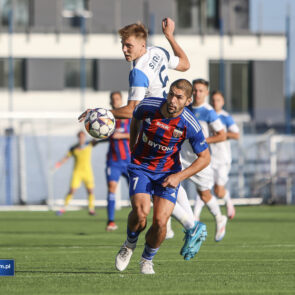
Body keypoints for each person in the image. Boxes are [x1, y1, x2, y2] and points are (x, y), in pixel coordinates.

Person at [79, 18, 201, 256]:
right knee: (167, 175)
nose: (125, 50)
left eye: (129, 45)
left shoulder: (139, 73)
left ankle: (190, 225)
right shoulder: (158, 51)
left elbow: (133, 110)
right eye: (123, 45)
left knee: (157, 183)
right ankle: (190, 225)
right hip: (170, 118)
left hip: (155, 121)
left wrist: (100, 112)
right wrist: (170, 36)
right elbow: (185, 64)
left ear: (142, 45)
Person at [115, 79, 210, 275]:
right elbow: (135, 118)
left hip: (168, 173)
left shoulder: (190, 123)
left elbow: (205, 158)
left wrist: (179, 176)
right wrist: (133, 144)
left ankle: (147, 259)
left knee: (160, 222)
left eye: (179, 97)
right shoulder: (149, 105)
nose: (173, 100)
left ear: (188, 100)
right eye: (171, 94)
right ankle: (129, 244)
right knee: (141, 214)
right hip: (141, 166)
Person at [181, 79, 228, 242]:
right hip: (181, 157)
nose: (197, 93)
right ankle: (169, 226)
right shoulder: (185, 109)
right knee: (168, 184)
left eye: (201, 91)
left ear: (206, 93)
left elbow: (222, 135)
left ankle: (219, 218)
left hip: (199, 161)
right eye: (195, 90)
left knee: (205, 194)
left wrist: (202, 141)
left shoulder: (209, 112)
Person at [209, 90, 240, 219]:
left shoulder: (226, 117)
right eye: (213, 100)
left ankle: (228, 201)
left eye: (218, 100)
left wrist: (221, 135)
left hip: (223, 158)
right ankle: (195, 216)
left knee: (219, 191)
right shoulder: (208, 115)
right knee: (205, 186)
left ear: (223, 102)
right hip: (209, 157)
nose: (215, 102)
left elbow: (236, 134)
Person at [55, 131, 99, 215]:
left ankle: (91, 209)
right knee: (72, 190)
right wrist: (58, 164)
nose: (81, 138)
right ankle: (63, 208)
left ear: (85, 137)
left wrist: (96, 133)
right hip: (77, 172)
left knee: (90, 191)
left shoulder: (89, 144)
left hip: (87, 172)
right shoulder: (73, 148)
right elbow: (66, 157)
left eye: (83, 137)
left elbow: (96, 142)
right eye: (80, 137)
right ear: (78, 138)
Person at [105, 91, 131, 231]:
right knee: (111, 188)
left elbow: (137, 134)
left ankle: (139, 218)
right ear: (110, 102)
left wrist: (122, 135)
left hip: (129, 161)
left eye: (117, 99)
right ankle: (110, 221)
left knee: (135, 192)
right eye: (113, 99)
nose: (115, 101)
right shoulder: (108, 120)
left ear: (121, 100)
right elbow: (107, 135)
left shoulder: (129, 118)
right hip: (113, 161)